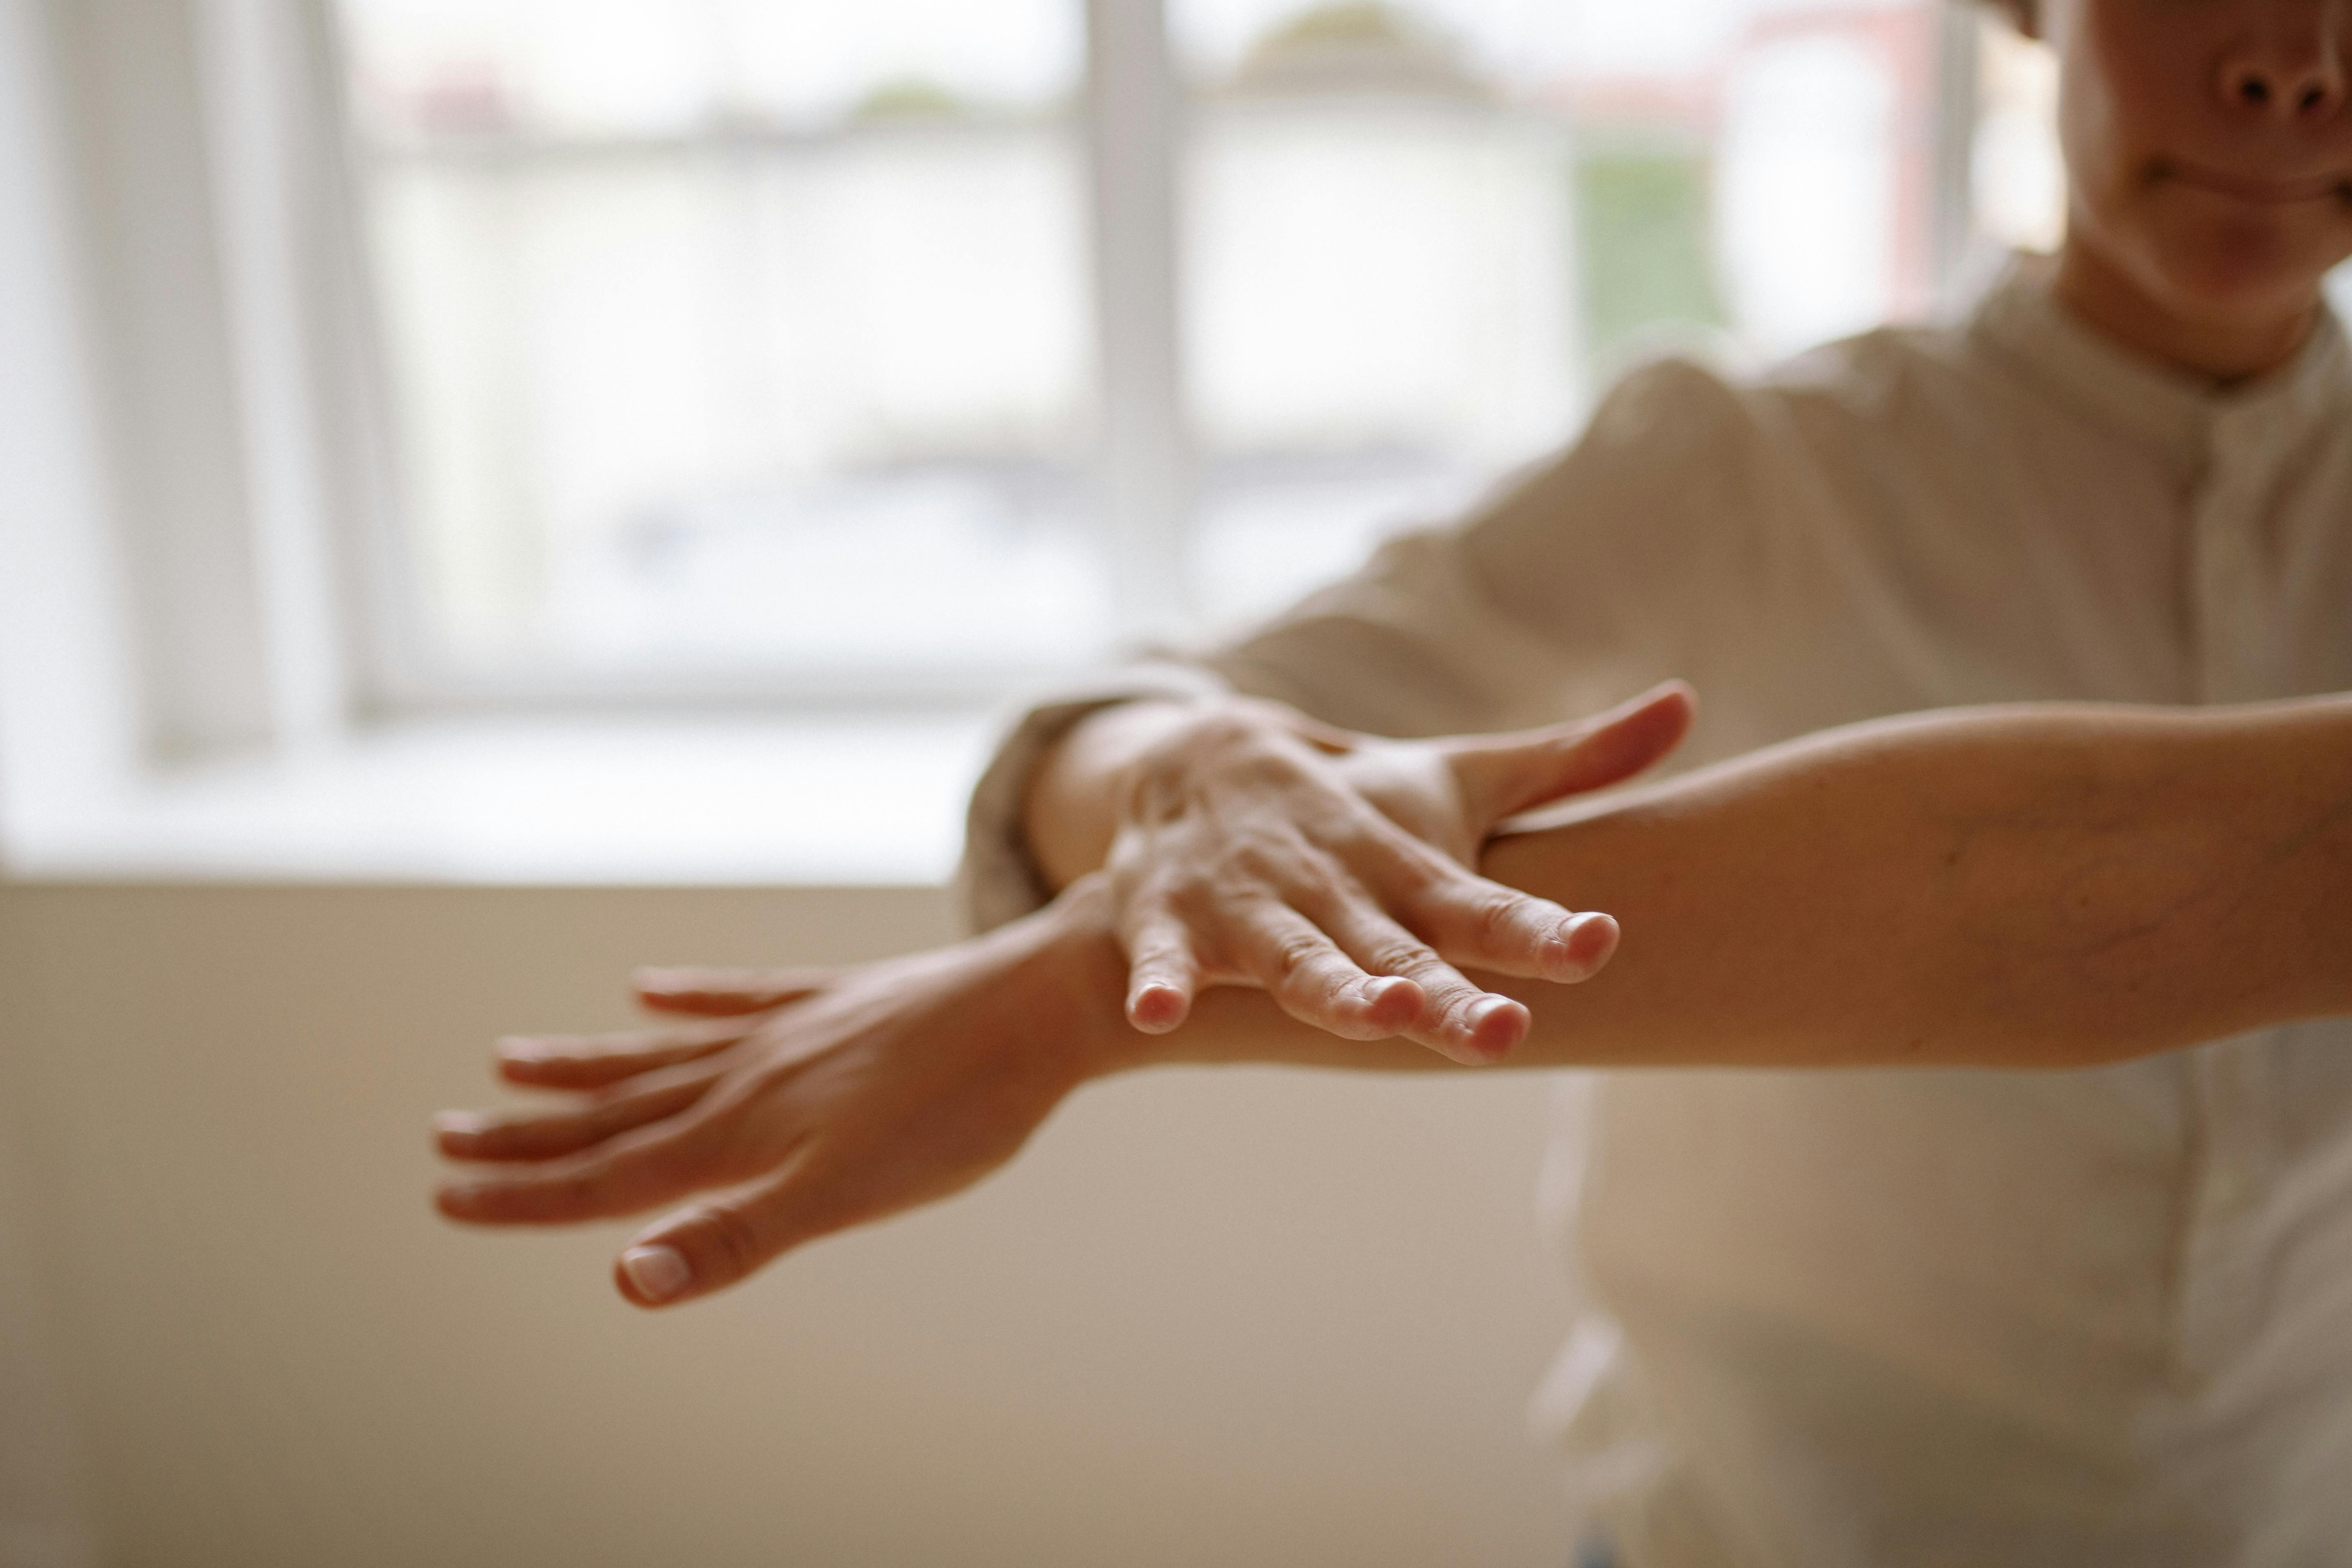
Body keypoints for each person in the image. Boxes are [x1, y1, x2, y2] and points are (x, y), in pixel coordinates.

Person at [434, 0, 2352, 1560]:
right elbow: (1166, 709)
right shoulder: (1755, 463)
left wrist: (1065, 1014)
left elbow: (2055, 895)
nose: (2287, 59)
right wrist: (1195, 774)